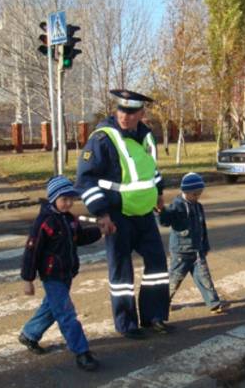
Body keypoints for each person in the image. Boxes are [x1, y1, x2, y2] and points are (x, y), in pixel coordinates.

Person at [75, 89, 171, 339]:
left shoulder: (146, 136)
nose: (124, 116)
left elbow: (151, 171)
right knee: (122, 272)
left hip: (145, 213)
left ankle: (154, 316)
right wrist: (101, 213)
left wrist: (159, 194)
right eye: (121, 110)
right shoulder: (103, 138)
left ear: (141, 113)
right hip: (117, 214)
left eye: (130, 112)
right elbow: (85, 180)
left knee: (158, 265)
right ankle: (127, 324)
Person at [19, 175, 102, 371]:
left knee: (51, 308)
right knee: (66, 313)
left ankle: (29, 334)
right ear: (53, 198)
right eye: (64, 199)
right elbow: (32, 250)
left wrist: (100, 231)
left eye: (71, 199)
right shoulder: (44, 222)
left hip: (67, 274)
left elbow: (79, 238)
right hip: (52, 275)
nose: (69, 203)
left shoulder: (70, 220)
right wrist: (27, 279)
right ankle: (81, 352)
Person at [158, 173, 223, 314]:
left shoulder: (198, 206)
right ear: (185, 192)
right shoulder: (177, 206)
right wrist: (161, 211)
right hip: (181, 252)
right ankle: (162, 303)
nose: (197, 197)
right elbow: (165, 221)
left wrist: (205, 245)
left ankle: (214, 303)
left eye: (199, 194)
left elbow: (202, 227)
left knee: (204, 277)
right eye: (195, 194)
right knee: (174, 280)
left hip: (197, 250)